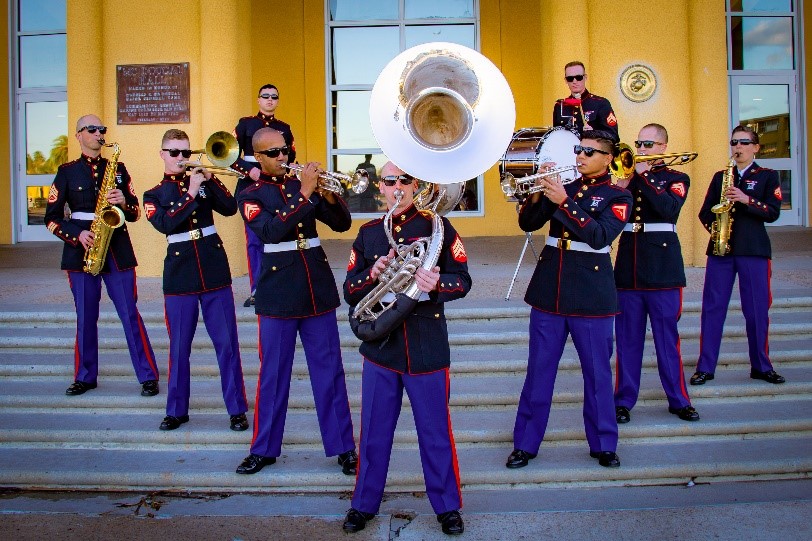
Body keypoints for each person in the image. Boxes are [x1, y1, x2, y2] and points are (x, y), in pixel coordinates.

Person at [341, 161, 471, 536]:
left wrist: (436, 283)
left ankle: (447, 507)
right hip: (381, 349)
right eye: (389, 180)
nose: (396, 186)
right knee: (374, 434)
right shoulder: (367, 235)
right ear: (379, 187)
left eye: (404, 179)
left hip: (427, 346)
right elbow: (350, 291)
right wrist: (373, 273)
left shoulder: (439, 227)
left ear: (416, 185)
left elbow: (463, 280)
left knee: (435, 433)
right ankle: (363, 504)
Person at [234, 127, 357, 476]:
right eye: (273, 153)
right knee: (273, 374)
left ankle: (344, 447)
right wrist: (305, 192)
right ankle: (264, 449)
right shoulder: (250, 194)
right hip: (277, 292)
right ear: (258, 157)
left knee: (330, 371)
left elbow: (340, 223)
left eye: (285, 149)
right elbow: (271, 232)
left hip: (315, 288)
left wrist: (327, 194)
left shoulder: (299, 185)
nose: (282, 157)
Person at [506, 130, 631, 470]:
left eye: (590, 152)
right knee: (539, 373)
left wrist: (564, 202)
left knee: (597, 375)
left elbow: (599, 236)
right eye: (579, 149)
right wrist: (537, 191)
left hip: (592, 294)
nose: (581, 156)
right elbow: (528, 223)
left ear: (608, 157)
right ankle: (525, 444)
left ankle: (604, 443)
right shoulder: (565, 185)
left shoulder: (617, 196)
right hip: (550, 290)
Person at [44, 114, 159, 397]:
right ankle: (85, 376)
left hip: (117, 249)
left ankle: (147, 375)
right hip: (82, 250)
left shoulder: (118, 169)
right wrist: (77, 235)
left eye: (102, 129)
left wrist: (124, 202)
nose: (99, 134)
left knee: (129, 313)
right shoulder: (67, 171)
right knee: (85, 316)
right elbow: (51, 218)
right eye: (92, 129)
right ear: (79, 135)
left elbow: (134, 212)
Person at [143, 129, 249, 432]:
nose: (181, 158)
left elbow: (230, 209)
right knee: (179, 347)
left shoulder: (204, 182)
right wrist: (190, 192)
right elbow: (164, 223)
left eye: (186, 153)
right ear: (162, 154)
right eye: (174, 152)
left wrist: (210, 179)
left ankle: (236, 409)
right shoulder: (154, 194)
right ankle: (177, 410)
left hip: (214, 270)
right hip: (180, 275)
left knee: (227, 344)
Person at [612, 124, 699, 424]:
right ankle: (623, 400)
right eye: (639, 143)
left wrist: (645, 175)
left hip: (663, 271)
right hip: (629, 270)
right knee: (627, 341)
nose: (641, 148)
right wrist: (621, 184)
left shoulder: (677, 178)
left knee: (667, 340)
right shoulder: (628, 178)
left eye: (648, 143)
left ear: (663, 146)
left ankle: (678, 400)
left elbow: (666, 208)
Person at [692, 125, 785, 386]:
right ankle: (705, 367)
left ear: (755, 147)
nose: (738, 147)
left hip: (753, 251)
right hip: (722, 252)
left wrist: (746, 199)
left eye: (744, 142)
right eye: (734, 142)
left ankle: (761, 366)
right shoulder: (721, 176)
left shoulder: (767, 176)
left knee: (756, 311)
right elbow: (704, 212)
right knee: (712, 310)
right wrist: (717, 232)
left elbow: (773, 212)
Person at [232, 84, 296, 307]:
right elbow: (229, 154)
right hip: (251, 187)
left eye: (274, 97)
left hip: (277, 190)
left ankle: (279, 284)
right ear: (258, 100)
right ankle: (257, 289)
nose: (270, 100)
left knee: (281, 235)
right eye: (265, 96)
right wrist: (248, 170)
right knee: (254, 241)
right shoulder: (246, 124)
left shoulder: (284, 128)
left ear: (278, 101)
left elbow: (290, 158)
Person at [552, 61, 619, 139]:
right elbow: (556, 136)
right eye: (570, 78)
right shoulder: (560, 106)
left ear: (585, 77)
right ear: (566, 80)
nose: (574, 81)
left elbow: (613, 135)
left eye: (578, 77)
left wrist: (594, 133)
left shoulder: (601, 103)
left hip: (591, 150)